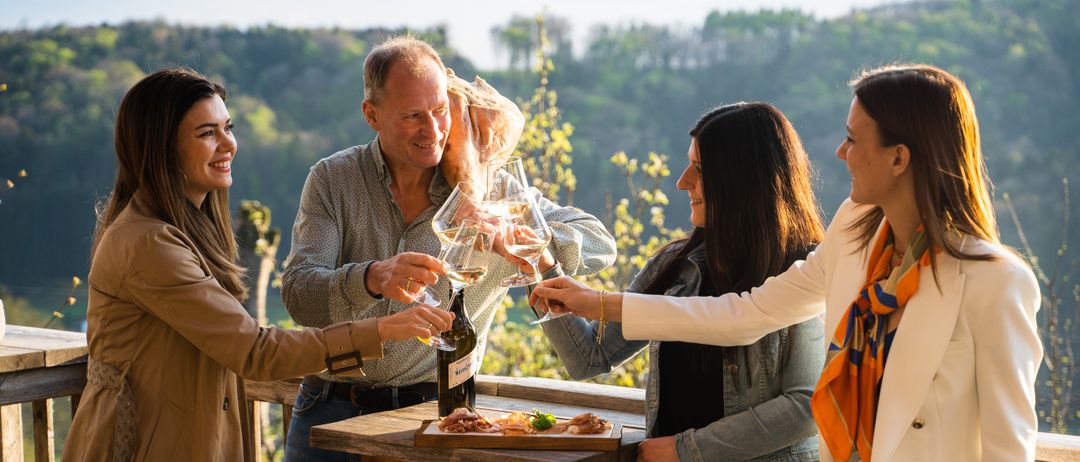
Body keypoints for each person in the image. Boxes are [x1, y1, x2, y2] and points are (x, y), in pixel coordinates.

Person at [532, 64, 1042, 461]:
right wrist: (597, 302)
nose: (840, 152)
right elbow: (744, 315)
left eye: (853, 138)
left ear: (898, 157)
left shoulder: (997, 282)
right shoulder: (852, 238)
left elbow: (1008, 444)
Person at [63, 67, 453, 462]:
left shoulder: (183, 231)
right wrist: (383, 330)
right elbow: (254, 351)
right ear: (161, 147)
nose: (228, 144)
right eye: (206, 133)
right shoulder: (147, 243)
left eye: (227, 127)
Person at [280, 36, 616, 462]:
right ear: (372, 114)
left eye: (440, 111)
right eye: (413, 116)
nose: (434, 130)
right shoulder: (333, 179)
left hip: (433, 416)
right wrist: (371, 277)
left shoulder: (491, 189)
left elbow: (602, 244)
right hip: (328, 408)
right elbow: (299, 296)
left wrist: (526, 238)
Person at [539, 102, 824, 461]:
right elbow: (590, 359)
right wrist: (543, 267)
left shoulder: (806, 270)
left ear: (743, 178)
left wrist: (686, 450)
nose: (682, 181)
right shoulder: (674, 265)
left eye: (700, 169)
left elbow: (807, 405)